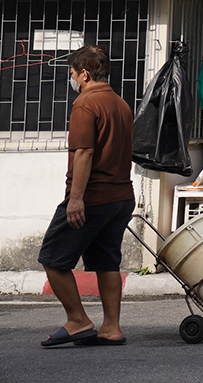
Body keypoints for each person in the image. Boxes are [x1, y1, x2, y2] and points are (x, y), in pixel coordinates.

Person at [38, 45, 135, 347]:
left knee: (53, 258)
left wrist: (75, 199)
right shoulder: (121, 104)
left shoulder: (85, 104)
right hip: (121, 197)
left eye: (72, 73)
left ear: (84, 74)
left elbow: (84, 153)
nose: (72, 79)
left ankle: (78, 320)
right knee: (107, 262)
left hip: (93, 197)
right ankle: (111, 328)